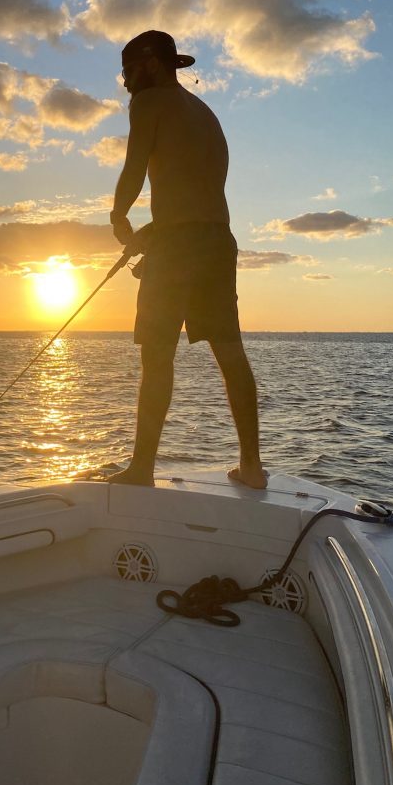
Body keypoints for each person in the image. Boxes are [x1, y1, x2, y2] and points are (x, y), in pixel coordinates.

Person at [107, 29, 267, 489]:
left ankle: (141, 470)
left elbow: (135, 166)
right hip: (218, 240)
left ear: (152, 64)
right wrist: (156, 230)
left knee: (157, 357)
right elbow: (195, 193)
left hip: (179, 247)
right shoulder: (205, 113)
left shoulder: (148, 102)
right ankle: (252, 467)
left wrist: (120, 216)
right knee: (231, 353)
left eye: (128, 71)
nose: (125, 84)